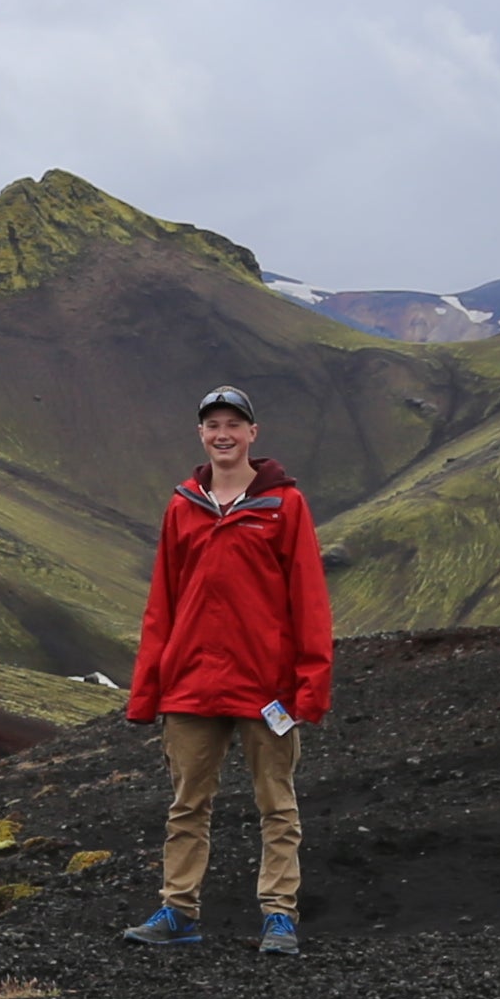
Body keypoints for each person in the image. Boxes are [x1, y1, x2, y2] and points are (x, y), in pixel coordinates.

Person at [118, 386, 333, 953]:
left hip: (268, 687)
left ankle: (279, 915)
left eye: (234, 424)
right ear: (201, 434)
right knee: (186, 805)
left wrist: (309, 687)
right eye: (213, 424)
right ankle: (178, 910)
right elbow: (161, 603)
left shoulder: (285, 506)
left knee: (277, 804)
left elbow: (309, 601)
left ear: (252, 434)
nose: (223, 434)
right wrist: (147, 692)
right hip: (189, 684)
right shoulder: (182, 506)